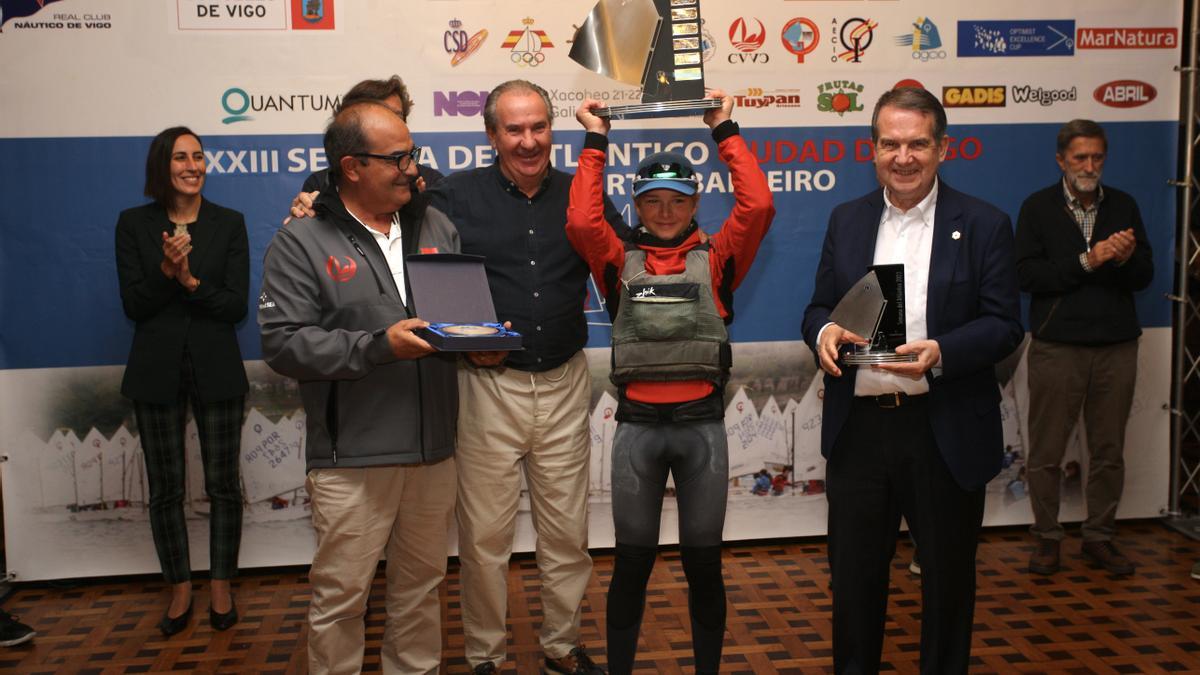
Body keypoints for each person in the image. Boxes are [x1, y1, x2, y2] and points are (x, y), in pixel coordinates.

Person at [801, 87, 1023, 673]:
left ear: (942, 148)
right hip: (860, 433)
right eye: (890, 144)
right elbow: (819, 306)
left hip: (942, 428)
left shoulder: (984, 223)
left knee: (948, 591)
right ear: (871, 149)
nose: (904, 157)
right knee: (852, 587)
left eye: (917, 144)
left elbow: (1005, 325)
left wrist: (943, 352)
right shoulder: (846, 220)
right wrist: (823, 332)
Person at [566, 91, 774, 675]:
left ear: (694, 203)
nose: (663, 211)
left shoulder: (720, 257)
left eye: (676, 201)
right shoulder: (616, 260)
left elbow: (756, 207)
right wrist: (596, 140)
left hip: (701, 429)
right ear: (635, 204)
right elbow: (583, 220)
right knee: (632, 563)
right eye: (651, 201)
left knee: (703, 564)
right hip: (637, 432)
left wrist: (724, 129)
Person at [427, 79, 625, 675]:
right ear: (492, 136)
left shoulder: (579, 193)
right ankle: (485, 656)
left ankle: (561, 647)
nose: (529, 140)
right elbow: (420, 259)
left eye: (539, 126)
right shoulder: (454, 196)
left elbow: (623, 257)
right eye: (514, 129)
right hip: (489, 388)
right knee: (485, 542)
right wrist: (470, 341)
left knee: (566, 535)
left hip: (565, 383)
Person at [258, 101, 461, 674]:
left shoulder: (436, 224)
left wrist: (479, 341)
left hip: (434, 451)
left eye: (412, 154)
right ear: (351, 167)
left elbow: (455, 316)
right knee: (342, 600)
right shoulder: (301, 242)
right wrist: (375, 346)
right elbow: (283, 343)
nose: (412, 168)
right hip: (353, 458)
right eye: (396, 158)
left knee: (421, 590)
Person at [115, 126, 249, 637]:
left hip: (216, 366)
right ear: (161, 166)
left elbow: (234, 305)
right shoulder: (133, 224)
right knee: (165, 490)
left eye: (198, 156)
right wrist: (166, 273)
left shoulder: (228, 224)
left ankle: (220, 584)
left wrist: (190, 280)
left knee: (223, 486)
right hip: (155, 370)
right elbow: (135, 304)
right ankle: (178, 588)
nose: (192, 165)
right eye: (180, 157)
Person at [1016, 119, 1154, 577]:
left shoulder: (1124, 205)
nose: (1089, 166)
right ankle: (1047, 539)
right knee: (1047, 452)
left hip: (1116, 346)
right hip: (1058, 346)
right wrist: (1088, 260)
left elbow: (1145, 278)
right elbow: (1028, 276)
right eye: (1080, 158)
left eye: (1097, 157)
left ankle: (1099, 536)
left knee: (1108, 450)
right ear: (1061, 160)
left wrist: (1126, 258)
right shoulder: (1037, 208)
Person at [285, 75, 444, 224]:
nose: (389, 122)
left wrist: (422, 207)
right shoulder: (321, 184)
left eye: (396, 115)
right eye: (378, 115)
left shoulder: (431, 181)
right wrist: (305, 216)